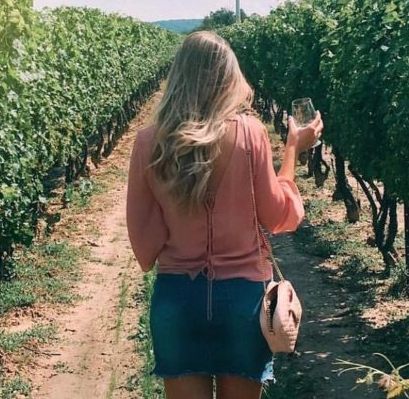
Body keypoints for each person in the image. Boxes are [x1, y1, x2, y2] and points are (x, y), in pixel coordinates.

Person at [126, 31, 322, 399]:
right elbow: (280, 216)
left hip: (177, 300)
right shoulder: (250, 133)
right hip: (242, 301)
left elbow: (144, 248)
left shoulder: (149, 142)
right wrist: (294, 148)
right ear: (228, 78)